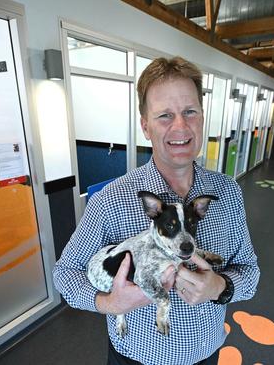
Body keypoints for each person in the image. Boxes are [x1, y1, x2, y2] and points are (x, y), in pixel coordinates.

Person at [53, 56, 260, 365]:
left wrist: (221, 286)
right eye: (165, 115)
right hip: (138, 358)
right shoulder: (110, 201)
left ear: (202, 117)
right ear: (145, 126)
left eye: (190, 111)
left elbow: (250, 272)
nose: (180, 126)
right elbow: (65, 274)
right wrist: (109, 303)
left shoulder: (228, 192)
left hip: (209, 352)